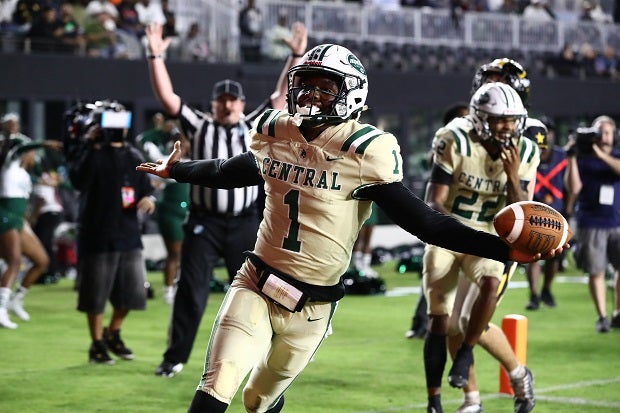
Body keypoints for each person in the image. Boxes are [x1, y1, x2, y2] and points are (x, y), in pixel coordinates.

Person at [136, 43, 562, 413]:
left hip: (314, 307)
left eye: (326, 86)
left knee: (256, 401)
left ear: (351, 92)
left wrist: (505, 251)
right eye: (307, 82)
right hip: (257, 282)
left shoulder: (365, 151)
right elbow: (236, 169)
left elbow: (427, 223)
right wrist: (182, 170)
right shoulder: (275, 131)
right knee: (217, 385)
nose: (311, 93)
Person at [144, 21, 308, 377]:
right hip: (204, 221)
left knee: (257, 291)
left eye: (232, 100)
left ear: (241, 103)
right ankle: (174, 358)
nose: (227, 105)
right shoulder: (198, 124)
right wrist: (155, 54)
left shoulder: (253, 123)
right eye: (221, 100)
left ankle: (261, 356)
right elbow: (167, 98)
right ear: (213, 103)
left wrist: (296, 55)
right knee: (191, 291)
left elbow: (281, 96)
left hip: (246, 222)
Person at [422, 81, 540, 413]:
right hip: (450, 231)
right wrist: (458, 233)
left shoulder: (525, 150)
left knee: (469, 318)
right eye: (499, 119)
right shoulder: (454, 138)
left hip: (492, 237)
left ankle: (511, 375)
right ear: (478, 118)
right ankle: (473, 399)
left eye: (511, 120)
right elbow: (435, 201)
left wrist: (513, 176)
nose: (507, 127)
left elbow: (522, 213)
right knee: (448, 321)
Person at [64, 100, 156, 363]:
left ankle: (112, 333)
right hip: (97, 233)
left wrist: (149, 198)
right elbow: (77, 180)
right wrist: (87, 144)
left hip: (128, 234)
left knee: (132, 294)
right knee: (95, 296)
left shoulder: (133, 155)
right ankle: (96, 345)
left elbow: (146, 187)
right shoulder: (91, 153)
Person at [405, 101, 469, 340]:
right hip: (443, 219)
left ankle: (454, 322)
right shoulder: (443, 148)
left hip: (467, 220)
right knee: (436, 274)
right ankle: (423, 322)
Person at [564, 115, 620, 333]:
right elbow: (573, 187)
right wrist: (571, 157)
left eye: (607, 132)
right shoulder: (582, 158)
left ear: (614, 135)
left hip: (617, 222)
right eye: (599, 131)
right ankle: (602, 316)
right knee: (596, 271)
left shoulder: (615, 156)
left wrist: (599, 153)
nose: (603, 136)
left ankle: (617, 313)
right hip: (591, 223)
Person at [524, 117, 567, 310]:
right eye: (542, 131)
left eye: (549, 131)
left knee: (554, 257)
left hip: (557, 215)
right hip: (532, 213)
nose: (545, 135)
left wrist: (569, 208)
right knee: (532, 256)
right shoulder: (529, 154)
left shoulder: (563, 156)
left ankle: (546, 289)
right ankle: (534, 294)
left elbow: (571, 185)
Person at [351, 202, 379, 277]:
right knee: (359, 240)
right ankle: (356, 266)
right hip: (360, 209)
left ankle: (366, 266)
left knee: (368, 241)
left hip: (372, 209)